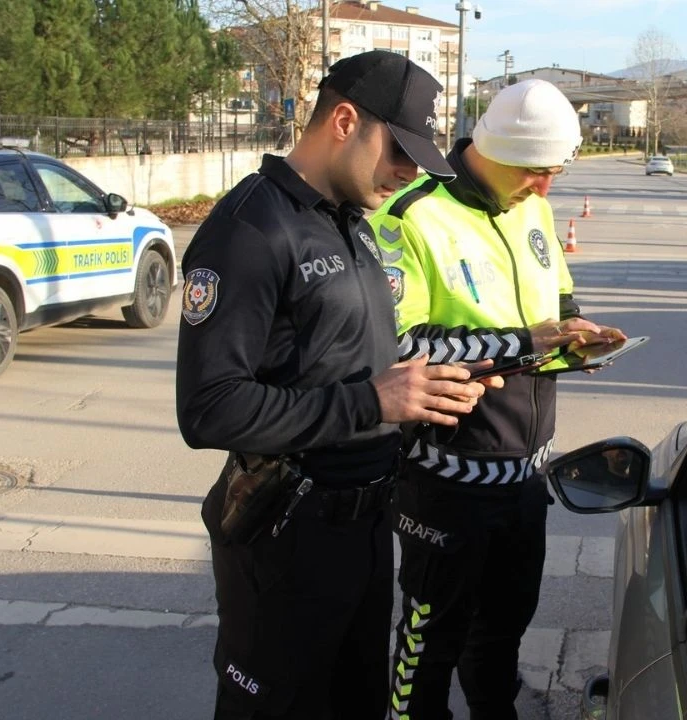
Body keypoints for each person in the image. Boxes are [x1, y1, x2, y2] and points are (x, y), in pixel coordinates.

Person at [175, 50, 491, 720]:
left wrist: (427, 390)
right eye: (399, 152)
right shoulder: (251, 231)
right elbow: (208, 409)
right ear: (344, 121)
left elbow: (349, 360)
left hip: (365, 530)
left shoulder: (351, 221)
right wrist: (374, 401)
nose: (408, 172)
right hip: (288, 537)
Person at [372, 78, 625, 720]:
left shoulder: (532, 207)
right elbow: (401, 346)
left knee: (506, 625)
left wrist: (579, 338)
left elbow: (557, 304)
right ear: (497, 150)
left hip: (526, 471)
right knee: (431, 637)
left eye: (555, 174)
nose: (546, 189)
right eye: (537, 172)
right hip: (446, 478)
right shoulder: (411, 213)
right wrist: (522, 342)